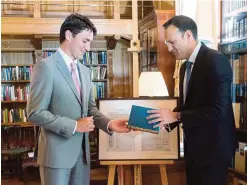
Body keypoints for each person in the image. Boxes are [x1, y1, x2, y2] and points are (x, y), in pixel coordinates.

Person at [27, 13, 130, 185]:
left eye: (90, 42)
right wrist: (75, 125)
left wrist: (109, 123)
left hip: (82, 157)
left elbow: (90, 108)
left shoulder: (85, 71)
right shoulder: (45, 67)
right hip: (56, 157)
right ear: (68, 35)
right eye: (85, 41)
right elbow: (35, 113)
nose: (88, 48)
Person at [146, 15, 238, 185]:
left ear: (188, 35)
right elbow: (187, 106)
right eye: (167, 43)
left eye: (172, 42)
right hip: (194, 149)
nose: (169, 48)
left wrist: (177, 117)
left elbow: (218, 109)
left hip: (213, 150)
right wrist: (163, 119)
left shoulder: (215, 60)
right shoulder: (183, 67)